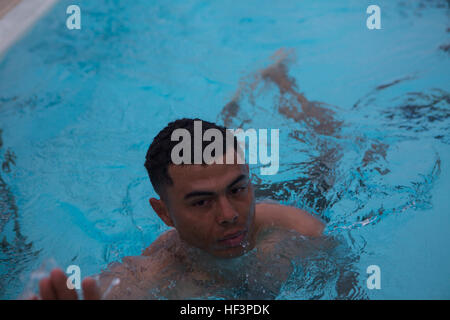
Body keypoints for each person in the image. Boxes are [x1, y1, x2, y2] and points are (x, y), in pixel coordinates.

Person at [33, 118, 325, 300]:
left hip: (309, 190)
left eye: (237, 190)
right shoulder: (156, 272)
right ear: (164, 214)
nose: (229, 215)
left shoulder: (299, 232)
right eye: (202, 202)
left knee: (324, 162)